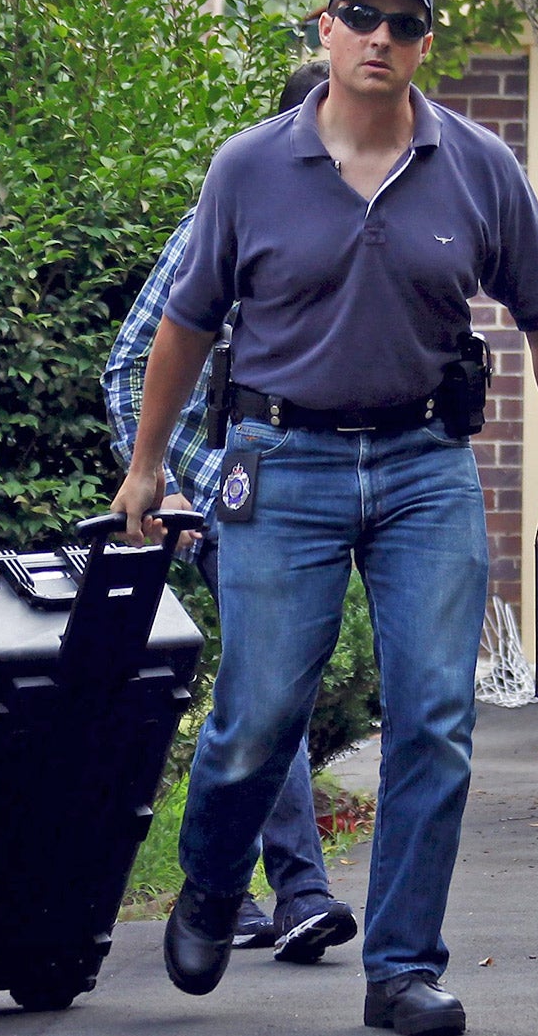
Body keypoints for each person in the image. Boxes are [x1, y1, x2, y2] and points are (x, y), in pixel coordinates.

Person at [112, 0, 538, 1036]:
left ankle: (398, 969)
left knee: (433, 715)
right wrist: (146, 465)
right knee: (259, 712)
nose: (378, 36)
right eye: (359, 16)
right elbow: (184, 327)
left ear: (423, 43)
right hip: (280, 465)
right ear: (323, 30)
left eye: (402, 21)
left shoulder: (475, 165)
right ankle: (207, 883)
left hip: (424, 466)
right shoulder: (247, 169)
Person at [102, 58, 358, 966]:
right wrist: (169, 481)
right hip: (226, 494)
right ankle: (296, 892)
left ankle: (237, 890)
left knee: (267, 690)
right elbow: (132, 362)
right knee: (266, 683)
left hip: (316, 494)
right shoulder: (228, 215)